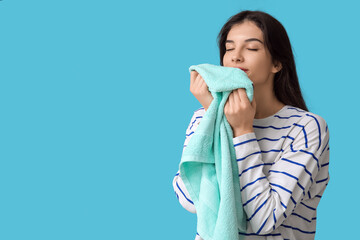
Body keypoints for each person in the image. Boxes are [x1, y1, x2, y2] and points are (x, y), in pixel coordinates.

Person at [172, 10, 330, 240]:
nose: (236, 57)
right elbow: (191, 200)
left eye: (252, 48)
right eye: (229, 48)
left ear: (277, 62)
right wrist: (215, 118)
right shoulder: (203, 116)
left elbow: (265, 218)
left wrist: (243, 131)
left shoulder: (306, 128)